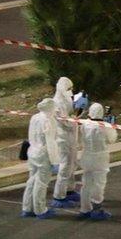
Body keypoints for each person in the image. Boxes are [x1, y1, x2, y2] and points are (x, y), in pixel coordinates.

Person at [78, 103, 117, 221]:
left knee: (86, 184)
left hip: (86, 156)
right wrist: (112, 126)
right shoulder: (104, 126)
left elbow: (80, 139)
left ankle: (84, 209)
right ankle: (97, 208)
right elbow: (112, 139)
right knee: (99, 184)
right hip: (100, 158)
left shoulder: (84, 124)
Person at [21, 99, 58, 219]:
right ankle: (40, 210)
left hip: (32, 151)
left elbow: (30, 135)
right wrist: (55, 161)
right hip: (43, 154)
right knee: (41, 183)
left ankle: (27, 208)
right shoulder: (49, 120)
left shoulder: (35, 117)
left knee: (31, 180)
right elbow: (50, 141)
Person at [50, 77, 80, 208]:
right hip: (63, 139)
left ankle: (70, 190)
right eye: (69, 89)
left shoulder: (66, 100)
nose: (71, 91)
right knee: (65, 167)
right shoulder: (56, 103)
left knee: (72, 165)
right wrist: (76, 117)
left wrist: (79, 108)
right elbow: (66, 123)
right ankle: (59, 195)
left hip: (71, 138)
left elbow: (72, 111)